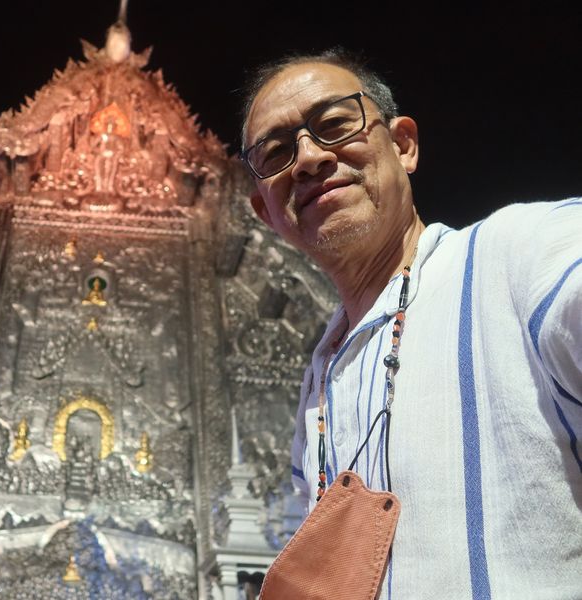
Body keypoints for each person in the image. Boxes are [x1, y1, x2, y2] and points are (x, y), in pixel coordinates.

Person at [240, 49, 581, 599]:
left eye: (335, 124)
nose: (308, 158)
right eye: (277, 152)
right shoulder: (317, 391)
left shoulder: (517, 260)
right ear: (266, 214)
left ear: (403, 145)